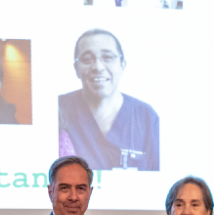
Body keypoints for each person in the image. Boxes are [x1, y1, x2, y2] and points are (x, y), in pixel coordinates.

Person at [58, 29, 159, 171]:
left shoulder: (146, 116)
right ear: (76, 68)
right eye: (87, 59)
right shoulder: (58, 109)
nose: (98, 67)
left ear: (122, 65)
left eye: (107, 57)